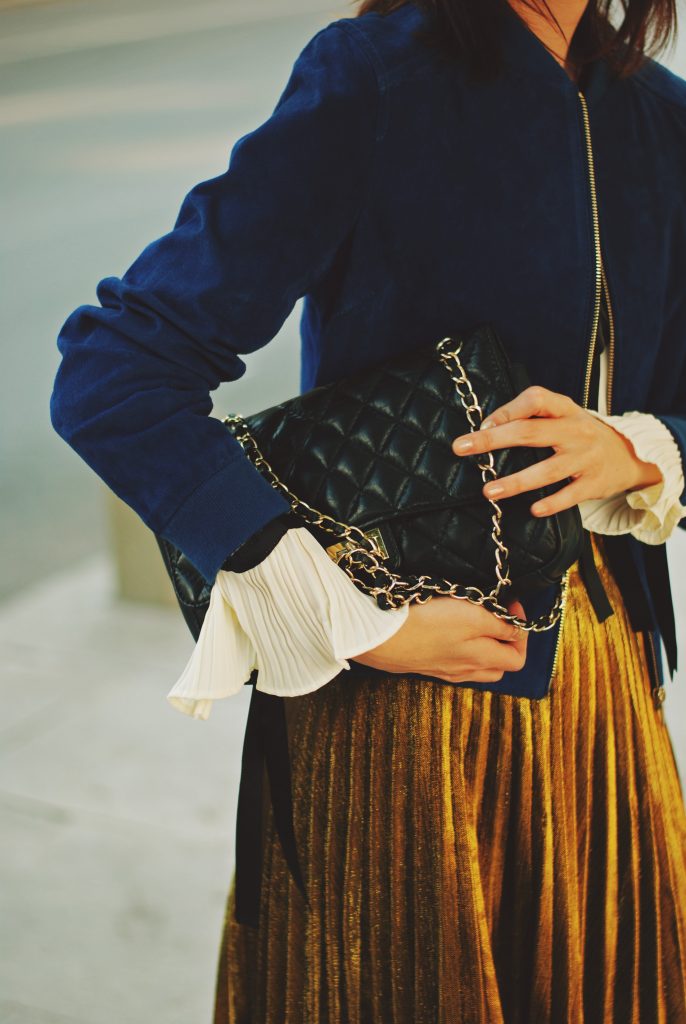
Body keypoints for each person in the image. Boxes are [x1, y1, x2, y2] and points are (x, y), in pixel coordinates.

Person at [49, 0, 686, 1020]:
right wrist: (345, 613)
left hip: (599, 679)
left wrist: (637, 446)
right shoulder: (377, 73)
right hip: (402, 699)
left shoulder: (656, 113)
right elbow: (113, 374)